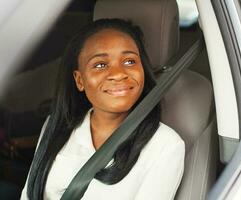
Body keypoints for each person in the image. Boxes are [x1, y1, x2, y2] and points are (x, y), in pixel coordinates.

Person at [21, 18, 185, 200]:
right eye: (100, 65)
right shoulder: (56, 125)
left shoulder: (165, 145)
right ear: (79, 80)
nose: (118, 74)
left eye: (130, 61)